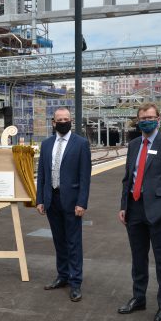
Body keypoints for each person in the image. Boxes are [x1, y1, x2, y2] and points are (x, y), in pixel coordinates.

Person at [117, 103, 161, 321]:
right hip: (134, 209)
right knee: (138, 258)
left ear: (158, 119)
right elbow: (128, 178)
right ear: (138, 120)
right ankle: (139, 297)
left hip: (158, 212)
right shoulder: (134, 144)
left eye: (150, 117)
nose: (146, 120)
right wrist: (123, 206)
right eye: (142, 117)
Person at [36, 107, 91, 302]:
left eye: (66, 119)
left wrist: (82, 202)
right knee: (59, 242)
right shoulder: (46, 144)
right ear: (53, 122)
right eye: (59, 119)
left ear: (71, 121)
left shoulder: (81, 144)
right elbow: (42, 173)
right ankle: (62, 276)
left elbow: (85, 177)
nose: (63, 122)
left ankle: (75, 283)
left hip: (72, 201)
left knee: (73, 243)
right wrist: (40, 199)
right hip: (52, 200)